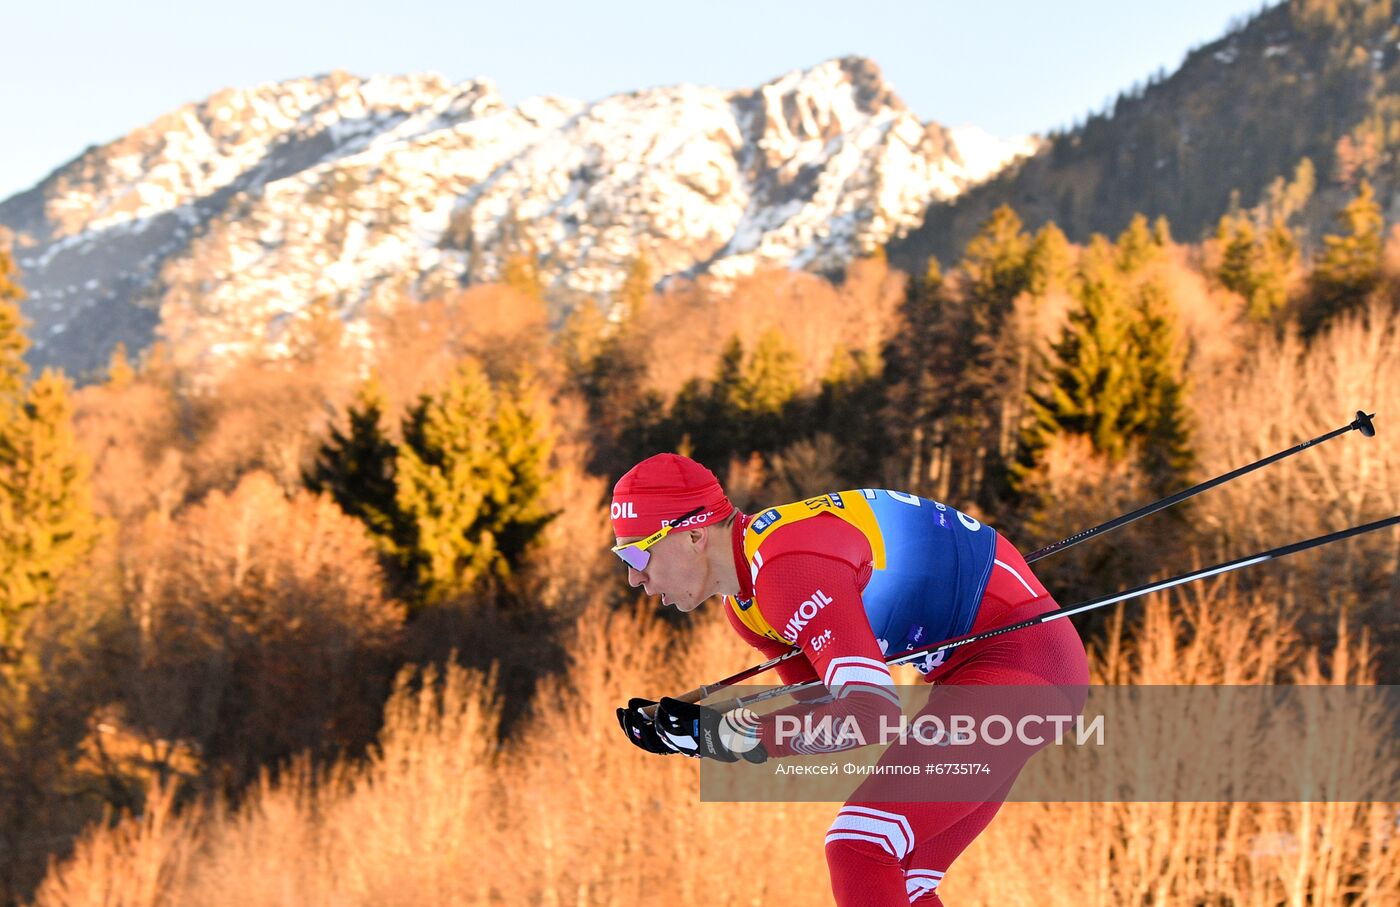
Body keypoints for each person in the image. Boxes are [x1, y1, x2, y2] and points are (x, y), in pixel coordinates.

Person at [612, 453, 1088, 906]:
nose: (636, 580)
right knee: (903, 881)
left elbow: (871, 715)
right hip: (985, 674)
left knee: (861, 845)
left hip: (1022, 662)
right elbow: (828, 714)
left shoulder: (785, 567)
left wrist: (721, 736)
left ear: (693, 534)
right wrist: (700, 736)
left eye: (636, 556)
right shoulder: (749, 606)